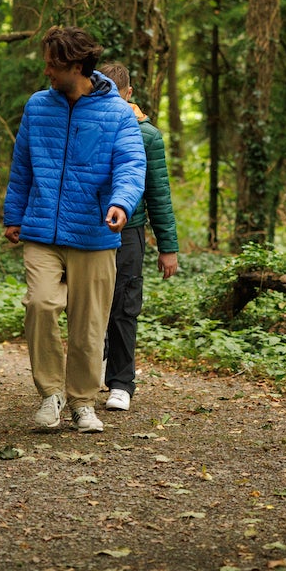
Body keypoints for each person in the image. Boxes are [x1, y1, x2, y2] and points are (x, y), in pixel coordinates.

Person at [3, 27, 146, 434]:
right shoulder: (37, 106)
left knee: (89, 323)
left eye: (54, 63)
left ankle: (83, 402)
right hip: (42, 229)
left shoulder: (118, 111)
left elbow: (132, 165)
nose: (46, 69)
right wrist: (14, 215)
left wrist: (121, 202)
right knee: (41, 305)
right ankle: (52, 394)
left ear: (77, 66)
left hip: (94, 233)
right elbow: (24, 165)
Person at [95, 63, 179, 413]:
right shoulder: (85, 122)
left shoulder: (148, 135)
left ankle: (121, 382)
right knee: (89, 305)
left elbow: (158, 192)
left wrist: (168, 247)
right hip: (88, 229)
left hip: (129, 230)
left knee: (124, 305)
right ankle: (89, 373)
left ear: (128, 94)